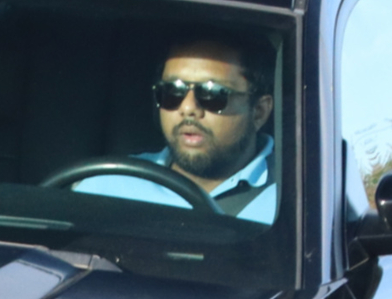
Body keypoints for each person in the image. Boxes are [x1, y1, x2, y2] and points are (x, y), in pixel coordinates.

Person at [75, 36, 277, 222]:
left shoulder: (295, 203)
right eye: (173, 91)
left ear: (259, 112)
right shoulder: (108, 186)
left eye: (212, 94)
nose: (188, 108)